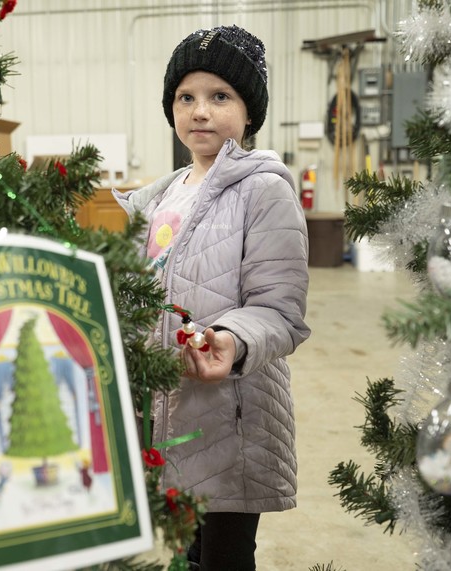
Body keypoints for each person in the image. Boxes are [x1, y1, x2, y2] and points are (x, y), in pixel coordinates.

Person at [113, 25, 310, 570]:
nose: (200, 110)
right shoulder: (162, 197)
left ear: (249, 112)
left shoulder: (265, 190)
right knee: (184, 553)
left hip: (233, 419)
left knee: (223, 557)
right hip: (167, 414)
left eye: (219, 96)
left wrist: (231, 340)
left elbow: (280, 309)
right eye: (186, 97)